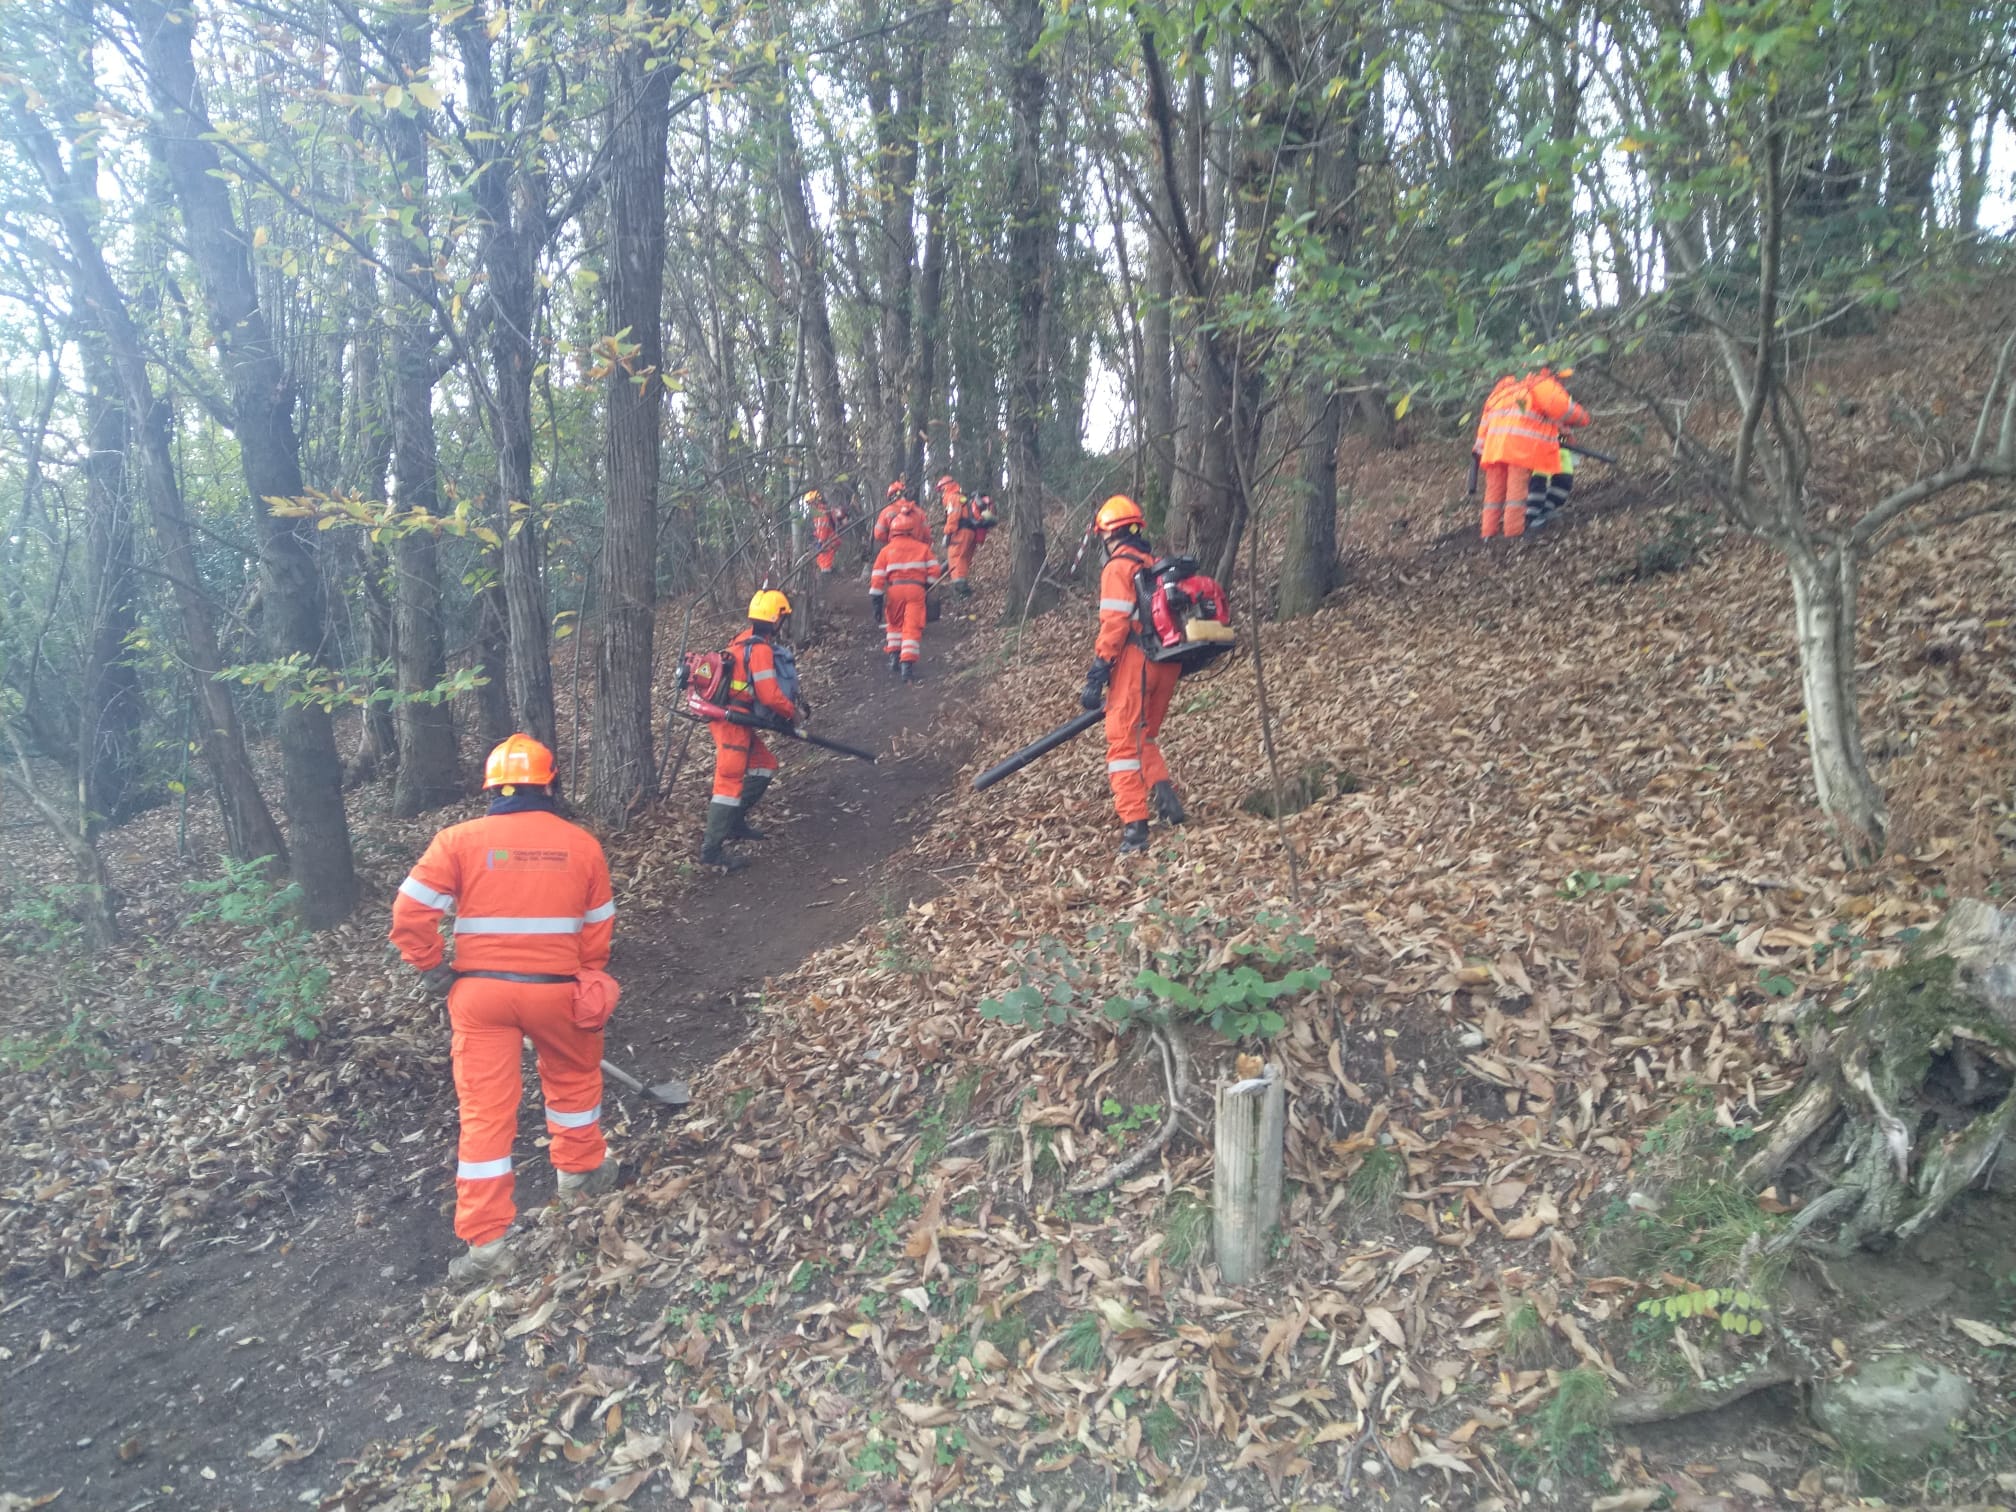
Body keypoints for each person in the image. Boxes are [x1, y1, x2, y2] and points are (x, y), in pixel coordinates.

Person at [390, 734, 618, 1286]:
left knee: (485, 1115)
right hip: (556, 990)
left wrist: (430, 966)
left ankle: (489, 1245)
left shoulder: (457, 841)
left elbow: (409, 914)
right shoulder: (582, 845)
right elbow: (597, 932)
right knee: (573, 1080)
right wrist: (582, 978)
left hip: (480, 998)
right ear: (550, 784)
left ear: (491, 789)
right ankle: (580, 1176)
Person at [1079, 494, 1186, 855]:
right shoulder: (1153, 565)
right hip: (1167, 661)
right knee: (1143, 736)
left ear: (1110, 534)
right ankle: (1168, 803)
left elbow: (1115, 624)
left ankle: (1135, 829)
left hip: (1137, 663)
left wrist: (1098, 672)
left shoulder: (1118, 569)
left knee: (1123, 745)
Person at [702, 590, 802, 872]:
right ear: (776, 620)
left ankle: (735, 821)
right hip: (731, 724)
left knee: (764, 765)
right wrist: (792, 713)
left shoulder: (742, 640)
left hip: (737, 720)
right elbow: (769, 695)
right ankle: (711, 850)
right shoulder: (759, 650)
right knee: (728, 783)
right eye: (782, 617)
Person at [1479, 365, 1589, 540]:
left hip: (1494, 449)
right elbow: (1564, 409)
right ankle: (1513, 533)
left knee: (1494, 492)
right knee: (1516, 491)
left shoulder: (1503, 390)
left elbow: (1485, 423)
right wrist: (1583, 418)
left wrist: (1479, 449)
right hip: (1519, 447)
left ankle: (1488, 533)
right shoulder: (1541, 384)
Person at [870, 506, 943, 682]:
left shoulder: (886, 551)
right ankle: (907, 667)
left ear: (892, 531)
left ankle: (894, 658)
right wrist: (927, 585)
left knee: (894, 624)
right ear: (912, 530)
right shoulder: (923, 548)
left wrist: (876, 602)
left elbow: (877, 577)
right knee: (911, 627)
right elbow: (935, 570)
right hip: (916, 591)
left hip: (894, 591)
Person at [938, 475, 995, 596]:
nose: (941, 494)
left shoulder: (953, 498)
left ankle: (960, 589)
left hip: (960, 533)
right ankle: (963, 587)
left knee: (955, 558)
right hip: (971, 532)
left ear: (945, 487)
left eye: (941, 490)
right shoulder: (962, 497)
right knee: (963, 559)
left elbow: (953, 517)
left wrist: (948, 533)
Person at [874, 479, 926, 546]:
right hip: (917, 548)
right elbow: (927, 534)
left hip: (895, 549)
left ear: (891, 497)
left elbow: (878, 534)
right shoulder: (919, 511)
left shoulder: (886, 512)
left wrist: (890, 542)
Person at [807, 488, 848, 574]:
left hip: (829, 541)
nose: (810, 506)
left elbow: (823, 528)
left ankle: (827, 577)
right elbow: (819, 529)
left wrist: (820, 542)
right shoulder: (821, 512)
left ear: (816, 502)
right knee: (823, 560)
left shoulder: (821, 513)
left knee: (825, 562)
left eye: (810, 503)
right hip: (829, 540)